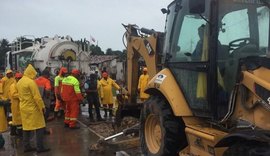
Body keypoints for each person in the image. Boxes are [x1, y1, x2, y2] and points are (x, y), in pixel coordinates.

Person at [17, 64, 50, 153]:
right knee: (40, 127)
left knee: (26, 127)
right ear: (31, 73)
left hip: (23, 108)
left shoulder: (19, 82)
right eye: (34, 74)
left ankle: (26, 146)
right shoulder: (31, 82)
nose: (35, 76)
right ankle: (40, 147)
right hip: (33, 108)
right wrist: (43, 107)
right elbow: (37, 97)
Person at [8, 72, 23, 137]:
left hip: (19, 104)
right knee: (18, 120)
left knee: (15, 120)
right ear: (16, 78)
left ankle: (13, 132)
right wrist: (22, 95)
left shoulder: (19, 84)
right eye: (18, 78)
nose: (19, 79)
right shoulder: (13, 86)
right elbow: (14, 95)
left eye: (20, 78)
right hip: (15, 105)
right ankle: (19, 134)